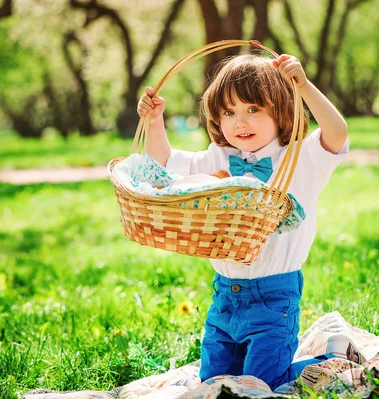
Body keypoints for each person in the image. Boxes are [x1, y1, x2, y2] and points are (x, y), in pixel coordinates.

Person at [136, 53, 349, 390]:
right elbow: (162, 165)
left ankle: (334, 361)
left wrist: (304, 86)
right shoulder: (218, 157)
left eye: (253, 109)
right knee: (213, 383)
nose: (240, 122)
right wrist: (153, 122)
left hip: (273, 296)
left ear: (282, 111)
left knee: (263, 383)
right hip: (224, 295)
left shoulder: (300, 156)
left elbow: (337, 133)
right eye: (229, 113)